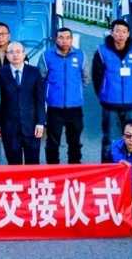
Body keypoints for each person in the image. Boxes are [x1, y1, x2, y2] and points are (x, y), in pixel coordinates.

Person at [93, 19, 132, 161]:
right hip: (110, 103)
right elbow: (96, 76)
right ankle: (108, 169)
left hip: (130, 104)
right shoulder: (102, 51)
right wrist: (103, 93)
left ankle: (130, 168)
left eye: (124, 32)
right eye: (117, 31)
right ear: (112, 33)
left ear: (128, 34)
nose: (120, 35)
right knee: (110, 140)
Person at [40, 27, 89, 164]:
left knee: (75, 142)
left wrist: (75, 92)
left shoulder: (80, 55)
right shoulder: (46, 56)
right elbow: (41, 79)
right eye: (61, 37)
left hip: (75, 108)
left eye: (68, 38)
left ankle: (74, 169)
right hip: (54, 108)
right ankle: (53, 170)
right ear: (56, 39)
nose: (64, 41)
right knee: (52, 142)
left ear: (72, 39)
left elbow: (85, 78)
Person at [0, 41, 45, 165]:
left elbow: (40, 99)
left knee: (33, 163)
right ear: (7, 55)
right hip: (9, 127)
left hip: (31, 126)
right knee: (13, 164)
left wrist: (40, 122)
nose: (15, 55)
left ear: (24, 54)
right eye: (11, 52)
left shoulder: (34, 72)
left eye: (18, 52)